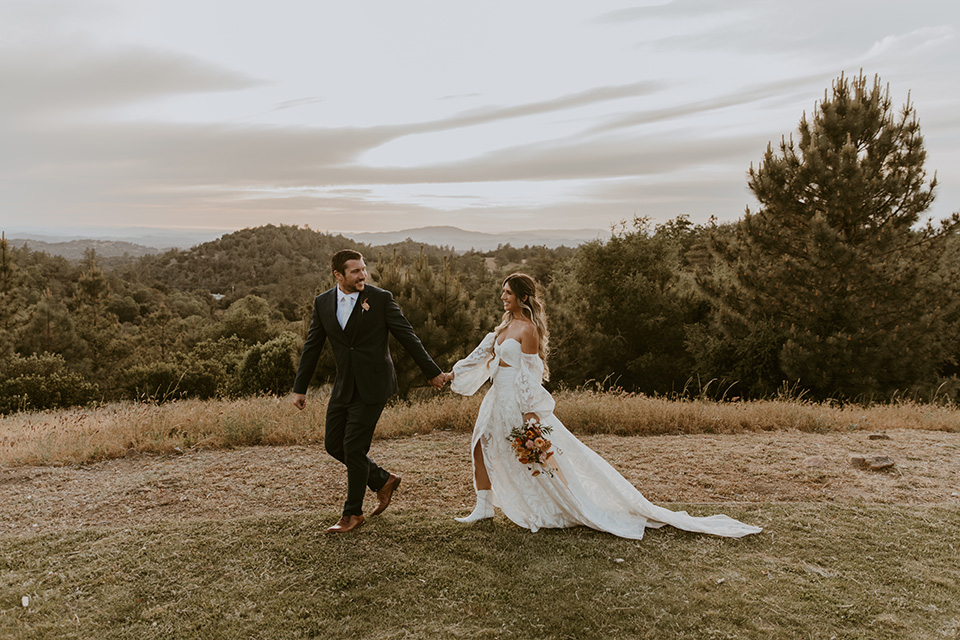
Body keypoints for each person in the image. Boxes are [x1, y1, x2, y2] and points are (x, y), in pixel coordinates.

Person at [444, 273, 761, 539]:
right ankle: (483, 508)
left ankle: (571, 503)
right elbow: (479, 358)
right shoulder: (501, 329)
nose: (503, 297)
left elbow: (531, 374)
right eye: (503, 292)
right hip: (494, 400)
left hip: (515, 401)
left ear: (523, 298)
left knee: (535, 458)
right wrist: (448, 376)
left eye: (508, 293)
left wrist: (530, 415)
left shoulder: (528, 331)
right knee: (480, 446)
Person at [293, 249, 447, 534]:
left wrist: (432, 372)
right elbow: (313, 345)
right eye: (355, 271)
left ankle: (352, 514)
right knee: (333, 444)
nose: (362, 275)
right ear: (338, 275)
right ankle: (382, 479)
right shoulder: (323, 302)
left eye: (363, 269)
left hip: (374, 384)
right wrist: (299, 388)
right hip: (343, 385)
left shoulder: (380, 299)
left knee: (354, 448)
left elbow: (408, 336)